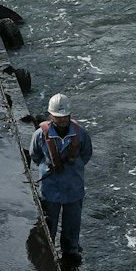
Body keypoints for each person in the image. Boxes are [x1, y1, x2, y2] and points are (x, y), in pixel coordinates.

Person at [29, 93, 93, 262]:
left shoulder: (81, 135)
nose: (62, 120)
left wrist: (74, 170)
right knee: (49, 223)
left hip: (73, 188)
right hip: (50, 189)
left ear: (70, 115)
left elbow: (86, 154)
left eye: (64, 117)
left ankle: (70, 251)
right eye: (58, 117)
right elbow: (35, 155)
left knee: (72, 224)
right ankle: (46, 252)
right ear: (51, 116)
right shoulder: (40, 135)